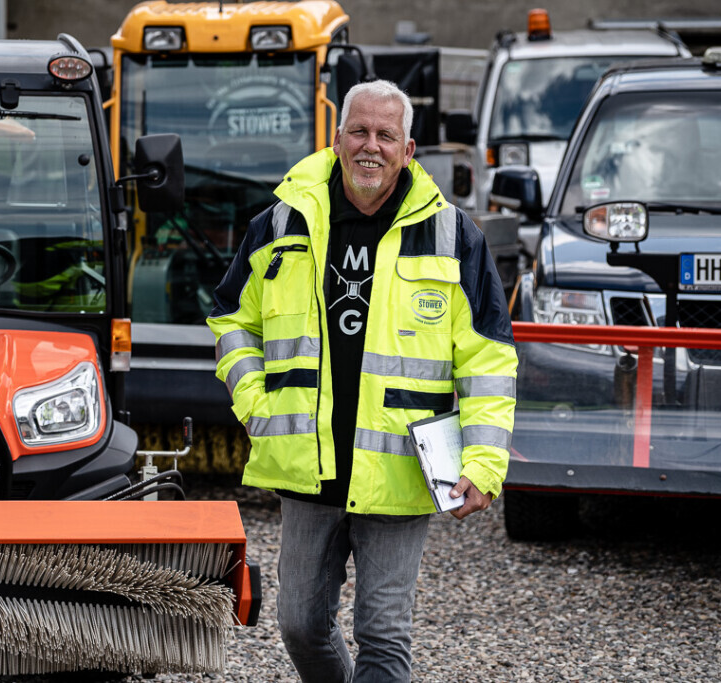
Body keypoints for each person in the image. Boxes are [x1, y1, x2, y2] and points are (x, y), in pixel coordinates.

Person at [207, 80, 517, 682]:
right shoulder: (278, 224)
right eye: (359, 131)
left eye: (385, 135)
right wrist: (255, 401)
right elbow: (231, 320)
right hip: (307, 465)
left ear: (408, 150)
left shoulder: (455, 238)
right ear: (338, 138)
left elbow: (487, 359)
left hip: (398, 470)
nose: (369, 146)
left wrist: (482, 463)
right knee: (299, 625)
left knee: (383, 635)